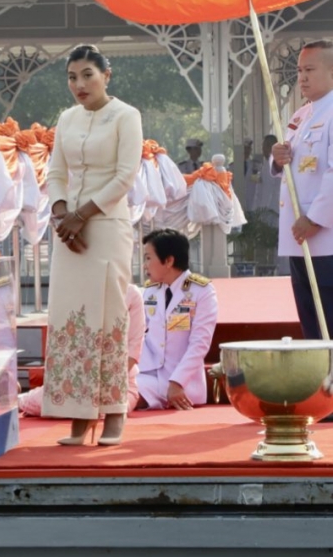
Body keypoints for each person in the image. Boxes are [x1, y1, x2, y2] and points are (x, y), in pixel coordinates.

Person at [42, 43, 143, 445]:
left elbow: (124, 176)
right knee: (71, 317)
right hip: (68, 231)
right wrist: (63, 214)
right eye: (72, 76)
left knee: (109, 315)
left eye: (87, 75)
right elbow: (55, 172)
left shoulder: (126, 116)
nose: (79, 84)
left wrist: (82, 216)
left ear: (107, 75)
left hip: (106, 225)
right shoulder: (66, 118)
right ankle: (78, 417)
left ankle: (115, 412)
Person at [271, 40, 333, 339]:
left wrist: (315, 218)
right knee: (312, 325)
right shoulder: (301, 115)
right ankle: (322, 384)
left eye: (310, 69)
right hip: (299, 238)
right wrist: (277, 158)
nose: (302, 77)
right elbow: (289, 163)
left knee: (329, 321)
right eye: (299, 70)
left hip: (325, 236)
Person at [20, 284, 145, 417]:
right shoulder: (78, 288)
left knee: (103, 412)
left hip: (120, 386)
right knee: (40, 404)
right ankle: (20, 399)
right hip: (77, 383)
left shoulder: (131, 293)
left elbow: (133, 352)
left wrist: (103, 385)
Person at [137, 228, 218, 410]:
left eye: (149, 258)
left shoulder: (201, 291)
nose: (145, 265)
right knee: (120, 392)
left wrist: (177, 382)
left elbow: (200, 343)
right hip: (149, 377)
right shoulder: (150, 291)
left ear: (168, 261)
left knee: (124, 397)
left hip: (182, 383)